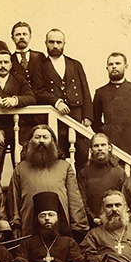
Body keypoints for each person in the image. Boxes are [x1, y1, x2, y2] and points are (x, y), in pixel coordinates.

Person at [7, 125, 88, 240]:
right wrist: (16, 224)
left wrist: (78, 226)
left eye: (45, 137)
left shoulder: (65, 167)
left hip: (60, 228)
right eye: (37, 137)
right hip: (29, 227)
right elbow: (14, 199)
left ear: (53, 142)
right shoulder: (20, 168)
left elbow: (74, 199)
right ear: (30, 142)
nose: (41, 141)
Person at [36, 29, 93, 170]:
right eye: (51, 42)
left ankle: (80, 182)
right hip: (55, 117)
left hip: (76, 115)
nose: (55, 45)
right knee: (58, 153)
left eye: (58, 42)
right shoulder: (40, 66)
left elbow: (85, 90)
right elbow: (38, 91)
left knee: (82, 152)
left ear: (64, 43)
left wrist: (87, 115)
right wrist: (56, 102)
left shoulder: (75, 64)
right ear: (45, 43)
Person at [14, 191, 80, 262]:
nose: (47, 219)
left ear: (58, 217)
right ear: (37, 219)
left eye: (51, 215)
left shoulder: (69, 242)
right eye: (42, 215)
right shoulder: (27, 243)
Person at [92, 52, 131, 156]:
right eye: (111, 64)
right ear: (107, 68)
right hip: (110, 142)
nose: (114, 66)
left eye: (118, 63)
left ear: (125, 66)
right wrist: (105, 136)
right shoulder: (101, 92)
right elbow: (95, 121)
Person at [76, 133, 127, 228]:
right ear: (91, 150)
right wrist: (93, 217)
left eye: (103, 145)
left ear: (109, 148)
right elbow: (82, 199)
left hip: (116, 221)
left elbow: (125, 199)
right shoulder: (84, 173)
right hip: (93, 223)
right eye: (96, 146)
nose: (100, 148)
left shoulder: (119, 172)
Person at [9, 21, 45, 92]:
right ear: (12, 38)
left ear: (30, 37)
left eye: (24, 34)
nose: (21, 37)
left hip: (40, 96)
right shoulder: (9, 59)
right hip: (20, 97)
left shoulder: (40, 56)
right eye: (18, 35)